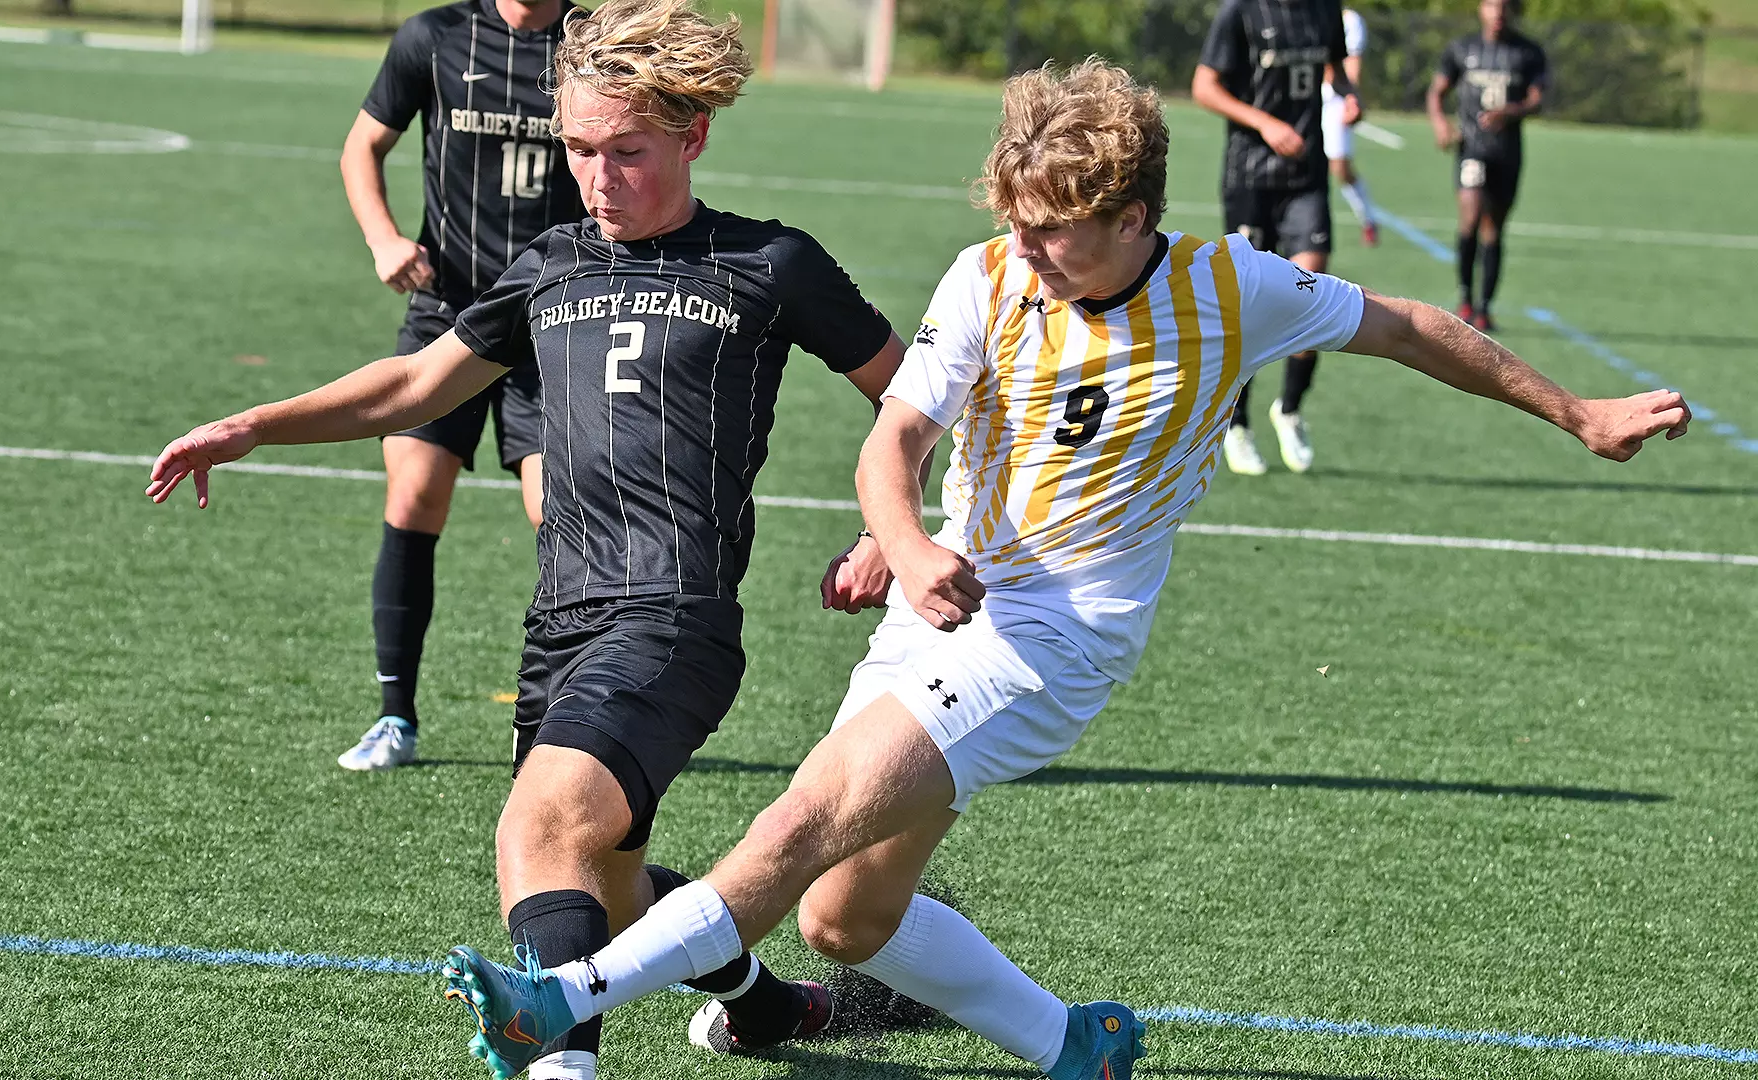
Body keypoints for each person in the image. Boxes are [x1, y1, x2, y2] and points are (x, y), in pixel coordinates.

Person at [438, 57, 1692, 1080]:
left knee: (800, 820)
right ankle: (1073, 1045)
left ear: (1135, 217)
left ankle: (559, 1001)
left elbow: (1417, 330)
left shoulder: (1233, 287)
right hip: (943, 609)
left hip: (1055, 641)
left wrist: (1575, 410)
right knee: (843, 918)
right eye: (1019, 228)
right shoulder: (987, 277)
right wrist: (912, 542)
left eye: (1059, 235)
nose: (1030, 255)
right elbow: (894, 442)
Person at [146, 2, 908, 1076]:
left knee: (537, 831)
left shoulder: (769, 265)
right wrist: (254, 425)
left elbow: (913, 401)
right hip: (559, 623)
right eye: (582, 151)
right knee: (606, 880)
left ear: (691, 136)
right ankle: (769, 1008)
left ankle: (561, 1063)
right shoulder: (552, 265)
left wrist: (893, 532)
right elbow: (416, 384)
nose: (599, 178)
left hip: (673, 618)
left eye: (627, 153)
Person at [335, 0, 586, 773]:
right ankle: (394, 716)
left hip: (553, 315)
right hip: (448, 310)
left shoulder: (591, 40)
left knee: (560, 519)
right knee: (413, 492)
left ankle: (557, 723)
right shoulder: (434, 35)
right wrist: (384, 240)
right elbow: (361, 147)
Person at [1193, 0, 1361, 475]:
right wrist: (1264, 122)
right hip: (1250, 176)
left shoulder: (1325, 10)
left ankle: (1288, 409)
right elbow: (1204, 87)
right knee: (1248, 305)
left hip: (1306, 176)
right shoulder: (1240, 12)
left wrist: (1349, 97)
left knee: (1310, 290)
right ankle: (1238, 423)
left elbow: (1336, 70)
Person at [1428, 0, 1549, 332]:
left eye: (1505, 6)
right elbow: (1436, 92)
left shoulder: (1528, 53)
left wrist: (1511, 111)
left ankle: (1484, 308)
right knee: (1469, 217)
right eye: (1492, 5)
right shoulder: (1462, 49)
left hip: (1507, 153)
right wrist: (1441, 125)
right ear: (1481, 9)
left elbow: (1537, 100)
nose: (1498, 13)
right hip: (1471, 148)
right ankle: (1465, 298)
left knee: (1493, 229)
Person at [1324, 6, 1379, 247]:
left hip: (1335, 100)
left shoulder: (1349, 20)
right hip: (1304, 99)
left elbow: (1352, 62)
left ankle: (1368, 218)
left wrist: (1350, 97)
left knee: (1340, 168)